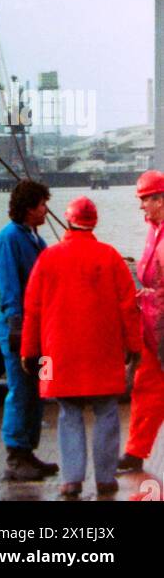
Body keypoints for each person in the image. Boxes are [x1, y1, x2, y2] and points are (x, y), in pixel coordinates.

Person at [21, 197, 141, 498]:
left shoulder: (48, 258)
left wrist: (28, 350)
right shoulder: (110, 257)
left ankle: (71, 479)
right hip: (103, 350)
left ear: (67, 219)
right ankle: (105, 478)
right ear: (94, 221)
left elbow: (32, 309)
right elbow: (128, 307)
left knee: (68, 413)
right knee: (107, 412)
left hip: (58, 352)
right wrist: (134, 345)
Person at [0, 179, 59, 481]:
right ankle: (15, 456)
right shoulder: (8, 239)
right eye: (42, 204)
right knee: (20, 391)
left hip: (40, 329)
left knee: (38, 391)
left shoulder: (35, 239)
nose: (46, 210)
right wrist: (18, 329)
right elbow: (9, 289)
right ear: (29, 208)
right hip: (19, 329)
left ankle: (29, 451)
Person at [118, 169, 164, 473]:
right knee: (145, 388)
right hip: (153, 324)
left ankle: (135, 452)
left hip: (159, 325)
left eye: (144, 199)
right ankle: (135, 452)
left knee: (148, 388)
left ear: (160, 200)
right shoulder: (154, 229)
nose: (141, 206)